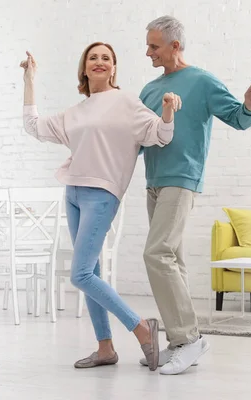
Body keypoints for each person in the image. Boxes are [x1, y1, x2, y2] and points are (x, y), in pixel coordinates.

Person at [20, 42, 182, 371]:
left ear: (113, 68)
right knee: (90, 272)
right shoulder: (75, 112)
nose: (99, 61)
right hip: (74, 192)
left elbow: (159, 135)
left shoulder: (125, 102)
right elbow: (33, 126)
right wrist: (30, 80)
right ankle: (105, 347)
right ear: (84, 68)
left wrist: (167, 111)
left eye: (106, 58)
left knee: (79, 274)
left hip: (103, 194)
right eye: (93, 57)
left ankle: (141, 328)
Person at [137, 15, 251, 375]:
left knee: (156, 253)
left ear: (174, 46)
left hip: (182, 178)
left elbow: (239, 119)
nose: (147, 52)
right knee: (172, 261)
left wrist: (250, 104)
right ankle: (182, 341)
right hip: (153, 180)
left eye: (154, 45)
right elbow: (137, 140)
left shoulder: (202, 81)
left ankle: (189, 338)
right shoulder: (149, 90)